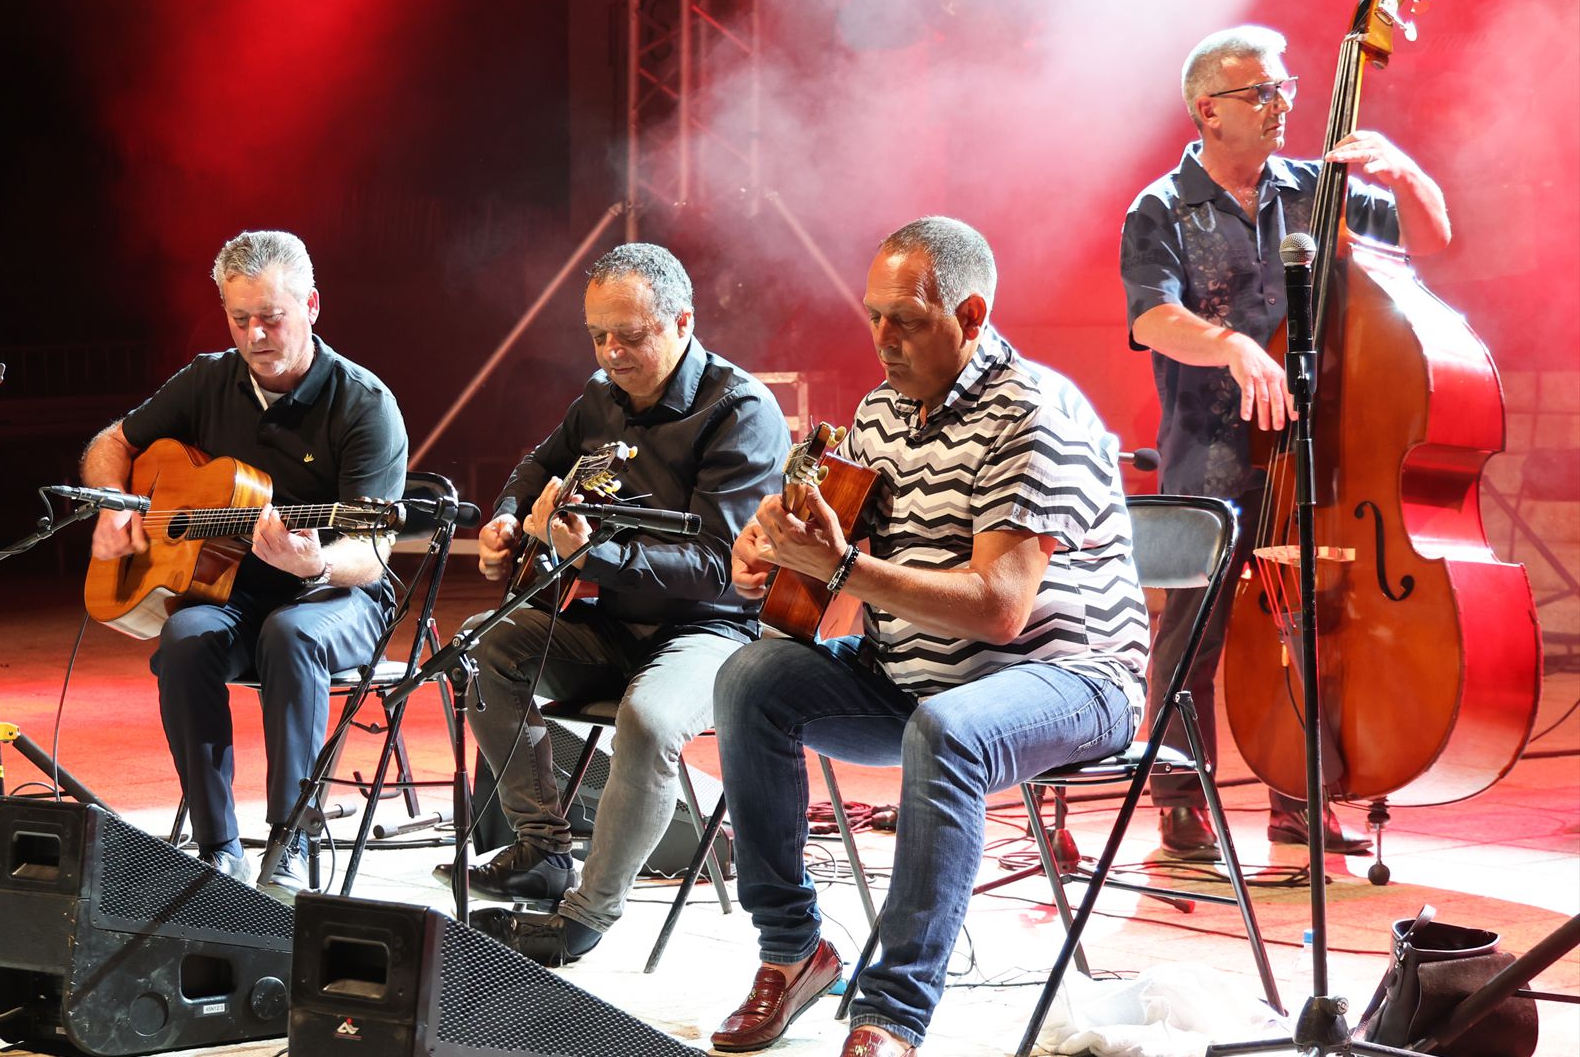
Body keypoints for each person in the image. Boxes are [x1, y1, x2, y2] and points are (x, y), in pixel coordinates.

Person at [709, 217, 1149, 1057]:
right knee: (749, 680)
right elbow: (820, 569)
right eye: (873, 315)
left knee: (947, 733)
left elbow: (999, 607)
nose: (882, 339)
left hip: (1071, 678)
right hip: (913, 678)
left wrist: (840, 570)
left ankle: (891, 1013)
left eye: (905, 320)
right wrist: (769, 557)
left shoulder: (1034, 413)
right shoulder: (879, 412)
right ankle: (793, 951)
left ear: (973, 314)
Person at [1119, 25, 1451, 859]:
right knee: (1190, 631)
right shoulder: (1162, 206)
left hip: (1317, 450)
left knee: (1308, 623)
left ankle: (1301, 795)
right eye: (1260, 93)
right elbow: (1153, 316)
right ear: (1208, 109)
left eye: (1285, 89)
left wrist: (1407, 176)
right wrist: (1229, 343)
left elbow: (1434, 247)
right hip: (1213, 448)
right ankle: (1180, 798)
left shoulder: (1319, 192)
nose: (1282, 106)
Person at [450, 242, 791, 966]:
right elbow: (537, 465)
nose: (611, 352)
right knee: (484, 647)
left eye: (630, 336)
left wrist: (586, 553)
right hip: (610, 621)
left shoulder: (740, 411)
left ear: (682, 322)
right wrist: (510, 519)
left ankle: (588, 913)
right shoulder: (599, 398)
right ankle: (542, 848)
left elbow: (716, 570)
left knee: (649, 718)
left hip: (713, 631)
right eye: (598, 335)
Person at [80, 230, 407, 900]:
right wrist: (113, 508)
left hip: (336, 594)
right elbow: (112, 441)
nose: (255, 334)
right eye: (239, 319)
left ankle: (291, 843)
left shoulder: (363, 405)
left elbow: (371, 554)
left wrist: (314, 562)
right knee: (183, 638)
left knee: (291, 635)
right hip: (233, 587)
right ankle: (216, 850)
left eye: (271, 317)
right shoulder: (207, 379)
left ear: (312, 306)